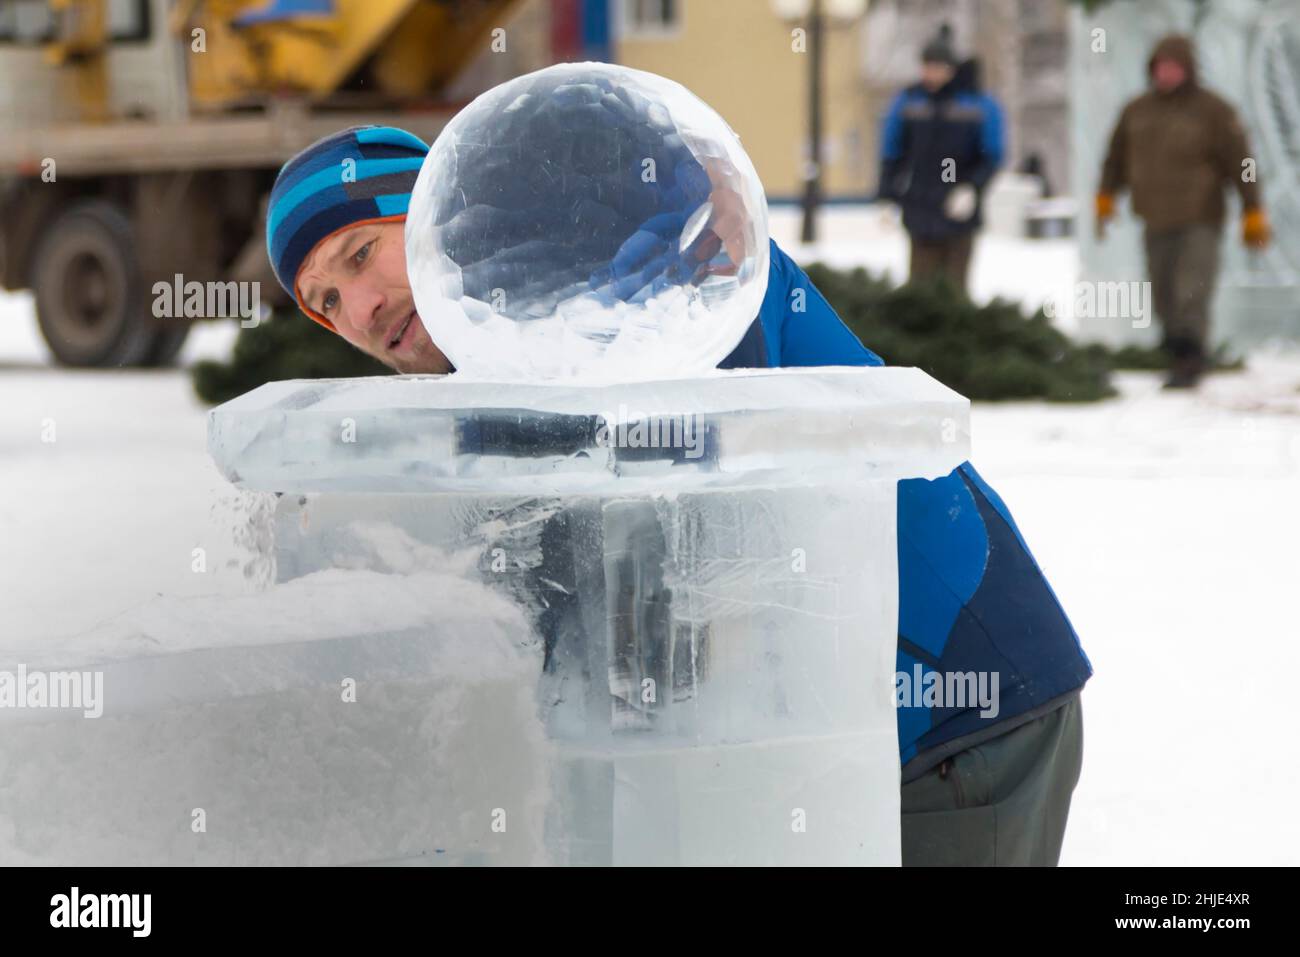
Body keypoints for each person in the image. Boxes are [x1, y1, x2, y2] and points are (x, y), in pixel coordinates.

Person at [267, 125, 1091, 866]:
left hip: (953, 711)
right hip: (820, 739)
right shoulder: (503, 373)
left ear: (438, 217)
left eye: (360, 254)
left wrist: (695, 186)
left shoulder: (616, 264)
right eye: (326, 303)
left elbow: (666, 212)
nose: (362, 310)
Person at [1096, 34, 1271, 389]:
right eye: (1160, 66)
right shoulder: (1137, 110)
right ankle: (1175, 346)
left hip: (1200, 217)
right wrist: (1106, 196)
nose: (1166, 73)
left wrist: (1253, 209)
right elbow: (1115, 158)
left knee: (1191, 287)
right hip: (1153, 216)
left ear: (1188, 69)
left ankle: (1191, 356)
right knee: (1162, 290)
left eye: (1173, 66)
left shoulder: (1214, 111)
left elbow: (1242, 163)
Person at [877, 24, 1004, 293]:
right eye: (926, 66)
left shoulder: (978, 104)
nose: (930, 73)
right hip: (919, 208)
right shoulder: (909, 102)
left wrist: (972, 187)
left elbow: (992, 155)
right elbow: (892, 151)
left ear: (951, 69)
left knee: (954, 289)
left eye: (937, 67)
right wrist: (887, 194)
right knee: (920, 290)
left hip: (959, 211)